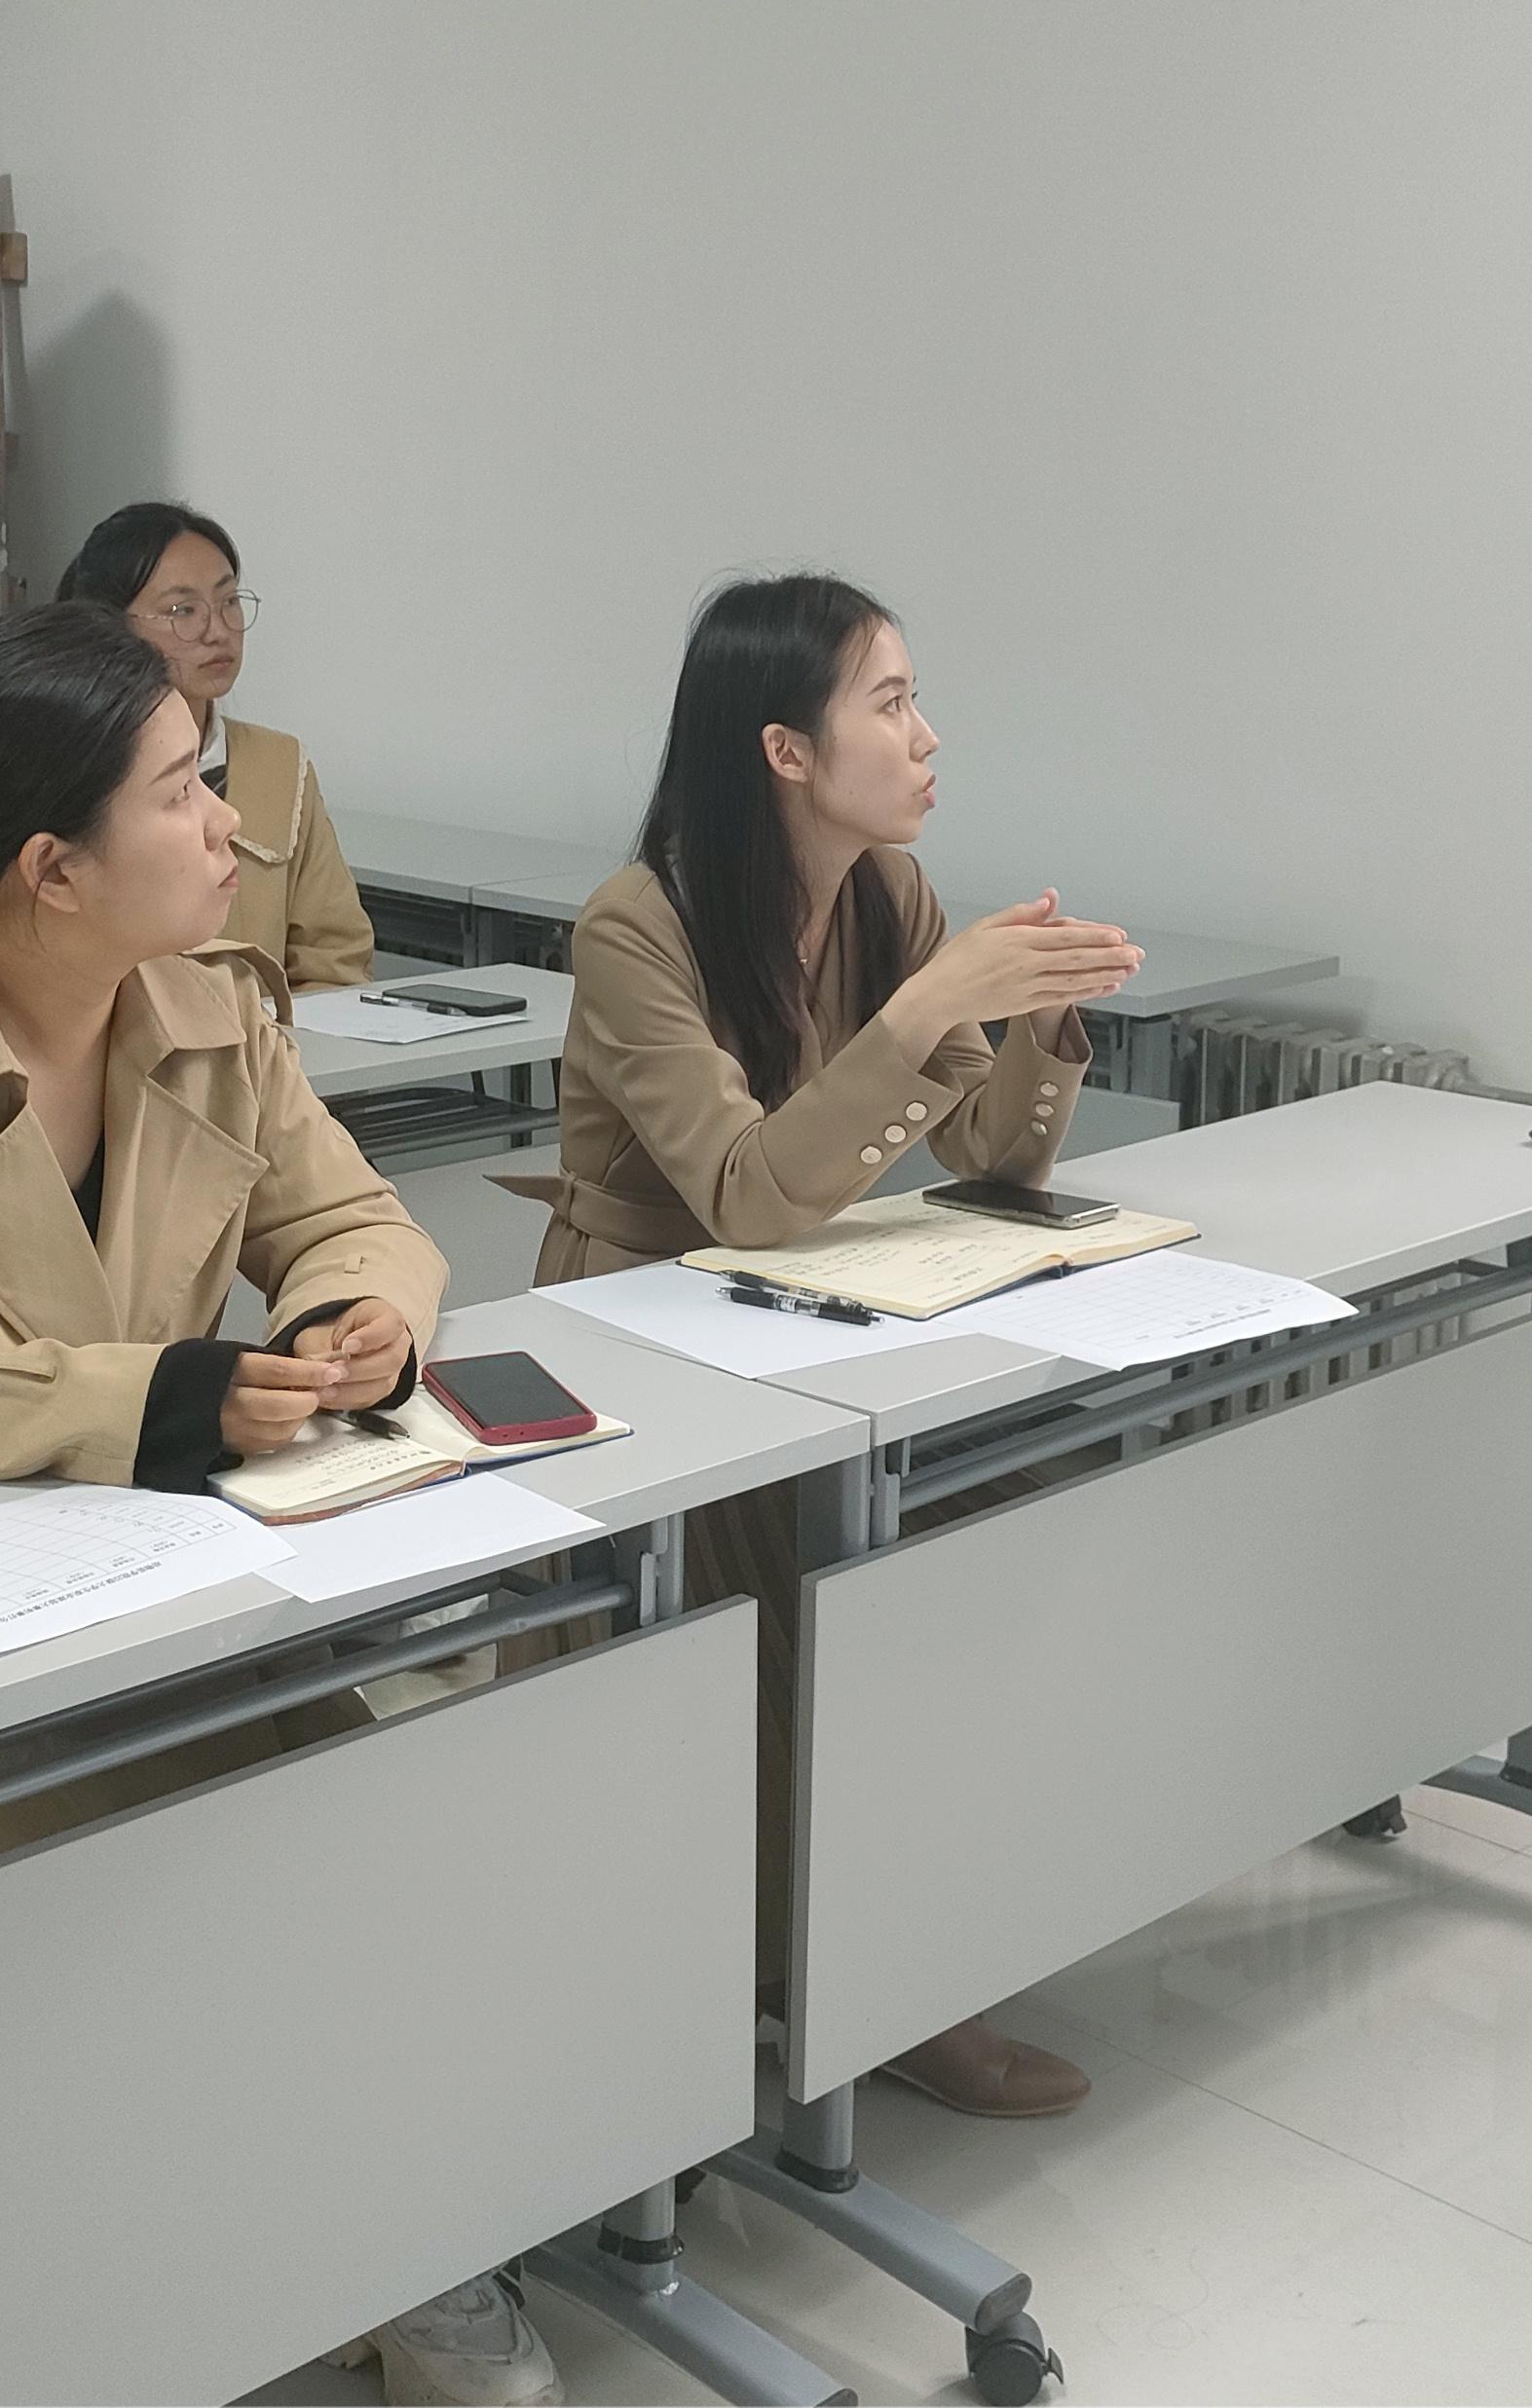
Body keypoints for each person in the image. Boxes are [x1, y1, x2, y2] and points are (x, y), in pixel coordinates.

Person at [0, 602, 548, 2408]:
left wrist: (355, 1313)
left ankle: (384, 2238)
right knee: (68, 1990)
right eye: (180, 790)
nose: (230, 823)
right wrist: (142, 1397)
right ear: (51, 866)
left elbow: (350, 1215)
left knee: (374, 1848)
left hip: (147, 1594)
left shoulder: (207, 1006)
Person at [524, 573, 1141, 2121]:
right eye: (892, 702)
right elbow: (742, 1193)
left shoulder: (886, 894)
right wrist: (930, 1008)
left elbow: (991, 1161)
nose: (928, 738)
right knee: (771, 1654)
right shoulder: (638, 922)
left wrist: (1042, 1017)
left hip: (805, 1321)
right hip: (644, 1333)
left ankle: (876, 1965)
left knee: (933, 1585)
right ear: (786, 749)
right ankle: (777, 1990)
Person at [58, 500, 373, 991]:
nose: (218, 630)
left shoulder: (279, 765)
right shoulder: (72, 768)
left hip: (262, 1037)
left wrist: (269, 1036)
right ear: (111, 625)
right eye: (182, 611)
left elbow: (335, 959)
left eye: (229, 602)